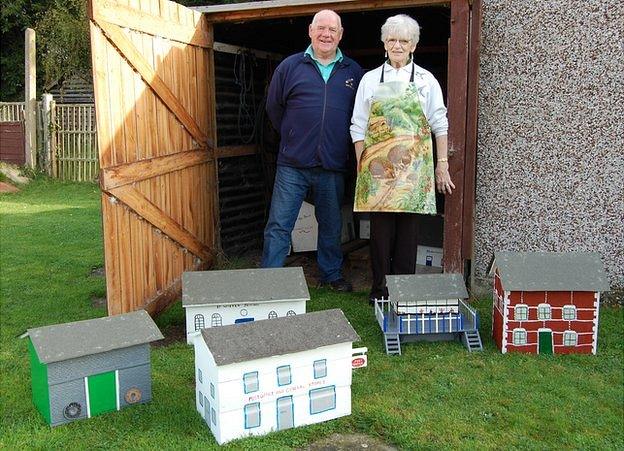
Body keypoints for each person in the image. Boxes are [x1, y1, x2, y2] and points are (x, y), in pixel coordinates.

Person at [350, 14, 454, 303]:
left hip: (413, 170)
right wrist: (362, 165)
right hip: (379, 169)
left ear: (413, 46)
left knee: (408, 234)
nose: (397, 45)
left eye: (404, 40)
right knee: (381, 233)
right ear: (384, 43)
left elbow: (439, 124)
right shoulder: (370, 80)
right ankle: (379, 291)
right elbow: (358, 125)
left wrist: (441, 165)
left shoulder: (425, 80)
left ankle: (403, 292)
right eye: (392, 39)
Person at [262, 10, 363, 292]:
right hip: (292, 163)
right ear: (310, 30)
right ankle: (269, 279)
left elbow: (362, 117)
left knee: (330, 225)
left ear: (340, 35)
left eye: (332, 29)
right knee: (280, 223)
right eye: (321, 28)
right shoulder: (290, 66)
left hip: (332, 164)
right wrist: (295, 136)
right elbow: (274, 107)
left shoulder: (353, 73)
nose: (326, 34)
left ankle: (331, 274)